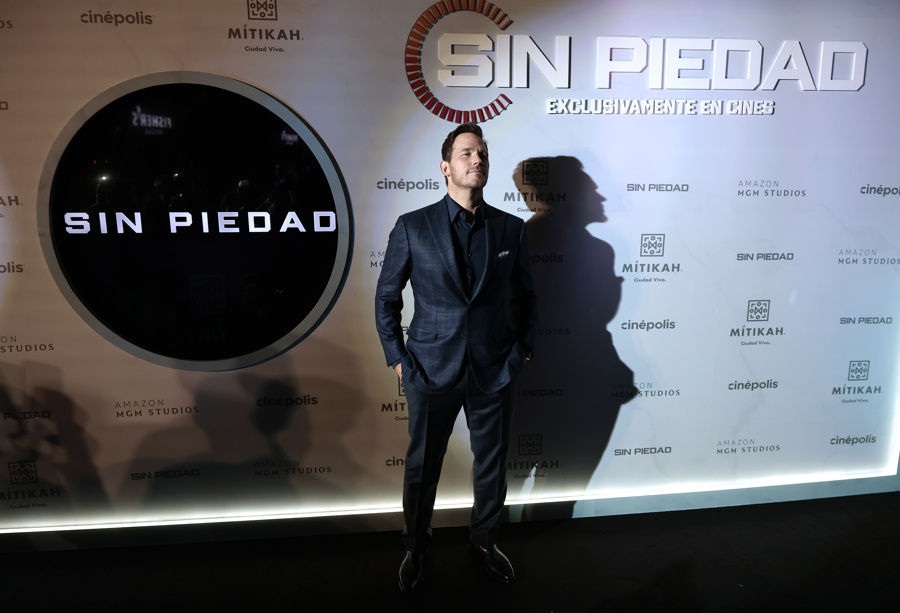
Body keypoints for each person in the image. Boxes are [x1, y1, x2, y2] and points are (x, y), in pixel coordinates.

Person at [375, 122, 537, 592]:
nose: (477, 159)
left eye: (482, 153)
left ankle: (484, 542)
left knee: (492, 464)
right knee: (421, 466)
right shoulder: (413, 226)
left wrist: (520, 352)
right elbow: (387, 298)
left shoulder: (510, 228)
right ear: (445, 167)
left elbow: (525, 296)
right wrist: (398, 358)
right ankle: (415, 548)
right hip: (429, 369)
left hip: (494, 368)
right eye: (466, 153)